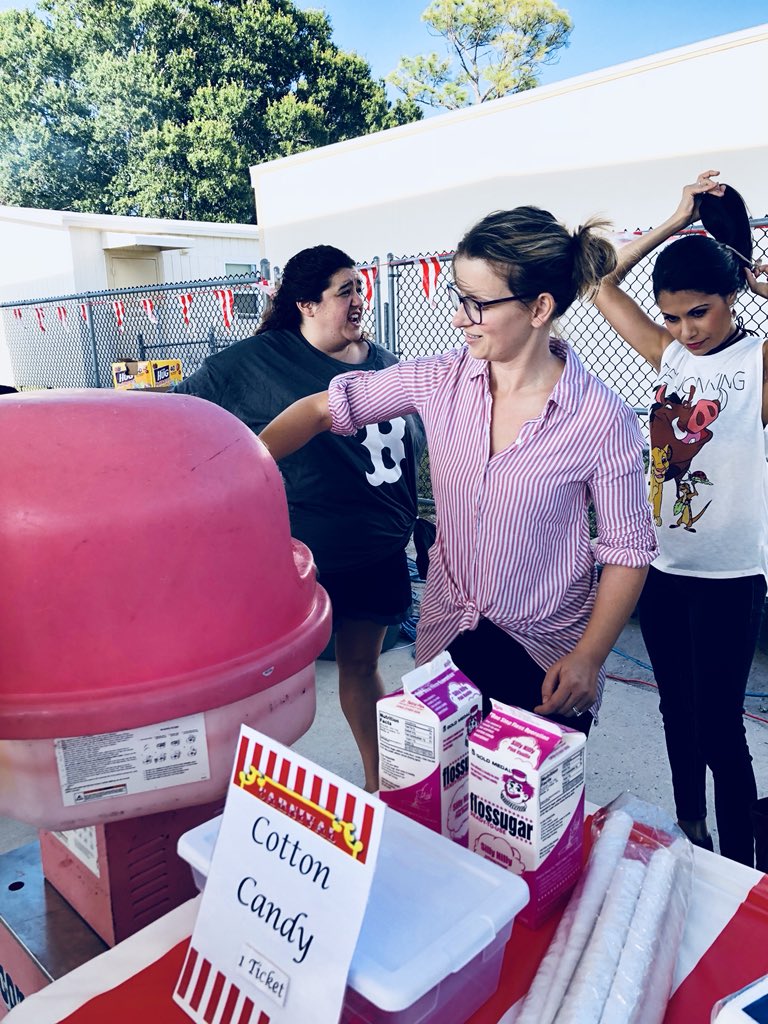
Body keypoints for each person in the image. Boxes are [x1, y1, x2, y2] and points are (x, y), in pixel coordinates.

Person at [259, 207, 658, 738]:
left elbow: (628, 551)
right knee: (435, 803)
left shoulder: (602, 419)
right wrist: (250, 470)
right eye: (457, 296)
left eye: (478, 303)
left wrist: (590, 655)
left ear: (539, 307)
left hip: (543, 654)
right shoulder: (439, 380)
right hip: (446, 637)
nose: (458, 318)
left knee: (520, 814)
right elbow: (319, 409)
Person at [172, 246, 424, 792]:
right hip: (299, 560)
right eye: (345, 291)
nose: (359, 300)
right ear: (307, 304)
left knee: (361, 668)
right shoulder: (256, 361)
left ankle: (381, 789)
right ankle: (256, 797)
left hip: (378, 555)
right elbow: (180, 412)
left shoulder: (387, 365)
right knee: (272, 685)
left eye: (360, 287)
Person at [592, 170, 768, 866]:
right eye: (670, 315)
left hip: (730, 576)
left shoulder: (757, 363)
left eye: (698, 312)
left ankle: (741, 867)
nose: (683, 329)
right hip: (662, 570)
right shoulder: (666, 353)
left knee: (722, 728)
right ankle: (691, 838)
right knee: (676, 716)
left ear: (728, 300)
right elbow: (601, 286)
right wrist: (674, 220)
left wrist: (754, 276)